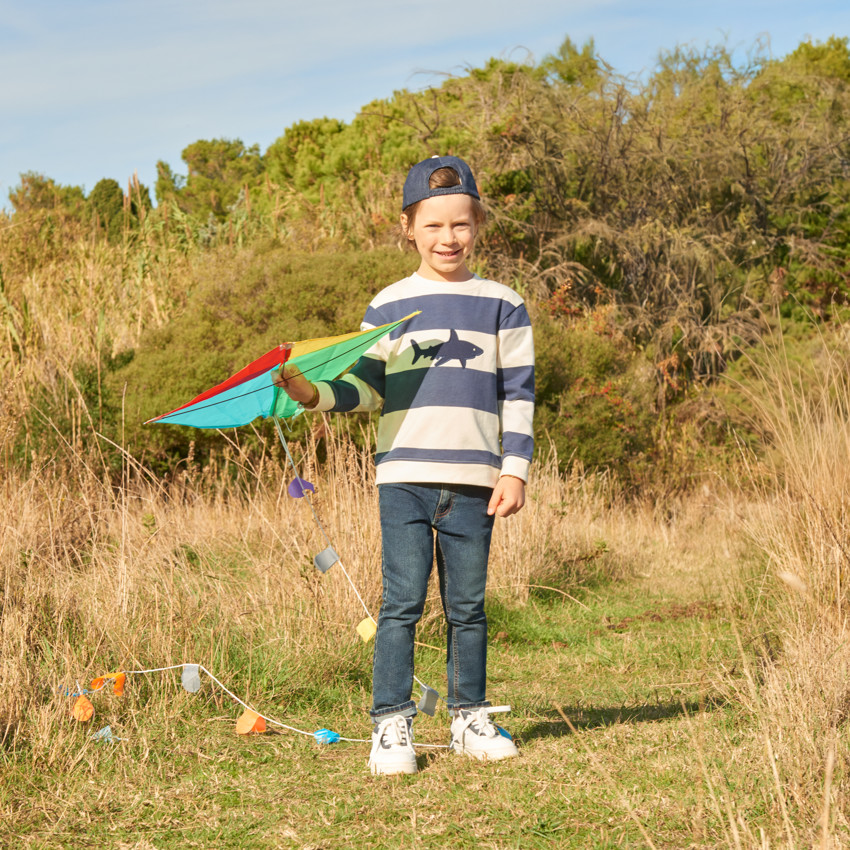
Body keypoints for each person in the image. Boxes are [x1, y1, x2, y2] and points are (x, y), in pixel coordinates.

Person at [273, 155, 535, 776]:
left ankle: (469, 717)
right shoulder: (389, 304)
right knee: (402, 605)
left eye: (462, 224)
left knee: (468, 607)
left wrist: (514, 469)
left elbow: (518, 393)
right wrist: (313, 396)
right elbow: (365, 389)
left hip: (476, 482)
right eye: (434, 225)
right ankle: (391, 727)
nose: (449, 238)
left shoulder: (504, 304)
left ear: (478, 226)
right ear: (407, 228)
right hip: (403, 480)